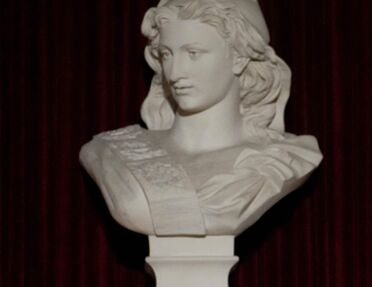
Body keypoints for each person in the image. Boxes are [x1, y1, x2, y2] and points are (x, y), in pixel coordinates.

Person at [80, 0, 322, 236]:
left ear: (239, 58)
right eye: (166, 55)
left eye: (193, 53)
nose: (175, 73)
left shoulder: (285, 159)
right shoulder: (111, 152)